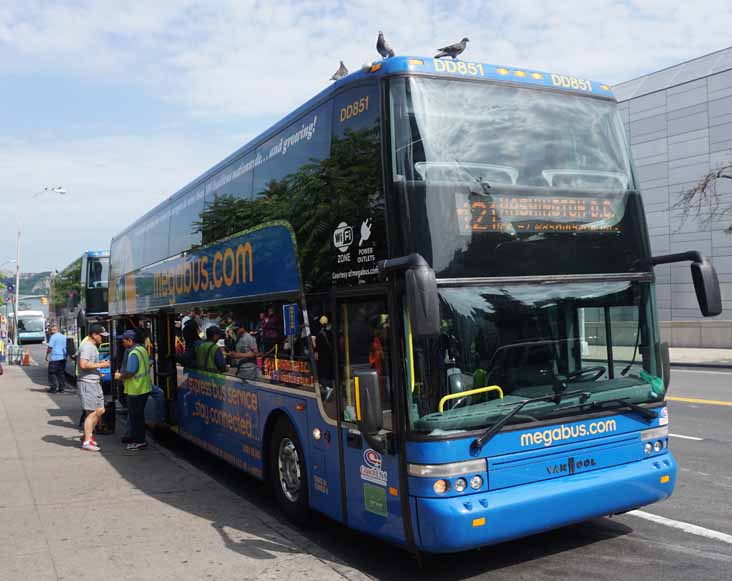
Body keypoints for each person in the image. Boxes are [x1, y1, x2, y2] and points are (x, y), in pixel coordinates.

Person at [114, 330, 152, 450]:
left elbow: (131, 371)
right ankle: (140, 440)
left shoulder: (133, 353)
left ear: (130, 341)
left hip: (136, 390)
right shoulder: (142, 350)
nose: (122, 343)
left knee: (136, 418)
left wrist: (120, 376)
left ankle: (139, 441)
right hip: (144, 388)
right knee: (139, 417)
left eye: (123, 340)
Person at [78, 324, 110, 452]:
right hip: (88, 383)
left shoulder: (92, 347)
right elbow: (83, 364)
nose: (103, 338)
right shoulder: (87, 347)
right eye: (101, 336)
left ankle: (87, 435)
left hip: (94, 381)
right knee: (92, 412)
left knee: (100, 410)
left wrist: (97, 369)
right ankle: (86, 441)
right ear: (94, 335)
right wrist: (101, 365)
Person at [46, 324, 67, 393]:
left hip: (55, 357)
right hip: (63, 357)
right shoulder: (64, 337)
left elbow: (50, 348)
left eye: (53, 330)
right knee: (61, 373)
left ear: (56, 330)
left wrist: (46, 355)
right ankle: (62, 388)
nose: (52, 331)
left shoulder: (53, 337)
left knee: (52, 373)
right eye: (52, 330)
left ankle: (53, 388)